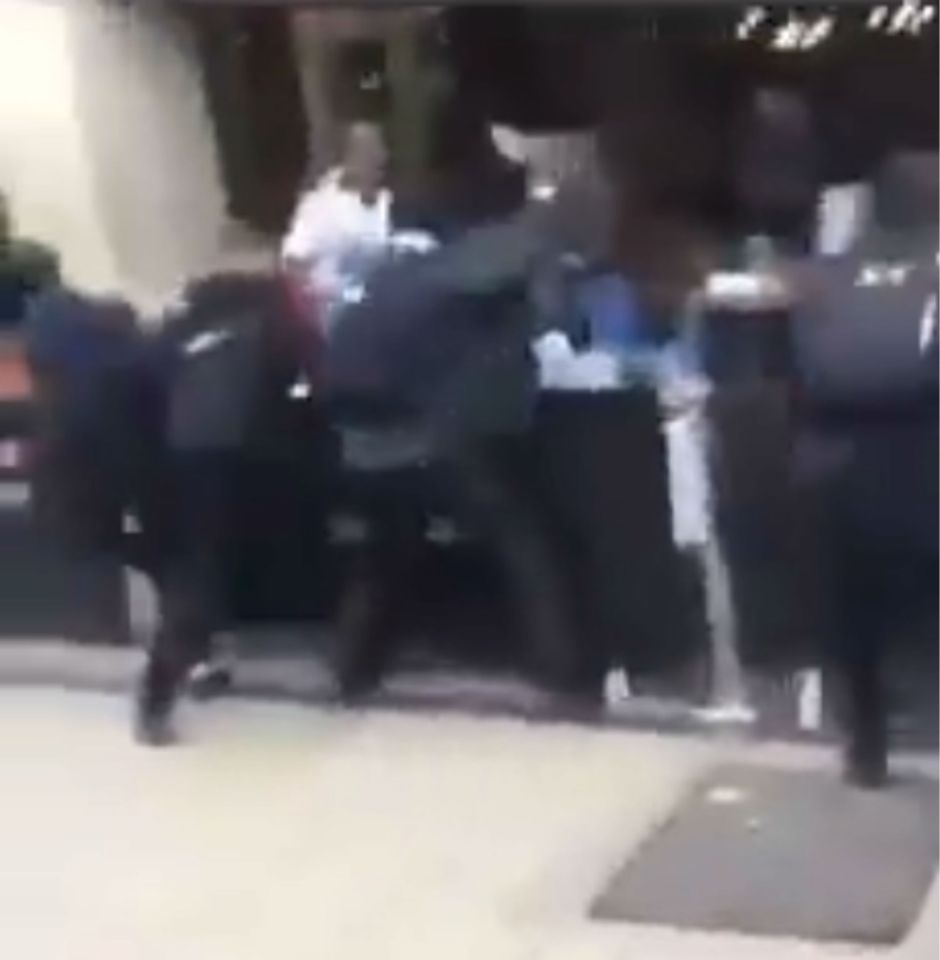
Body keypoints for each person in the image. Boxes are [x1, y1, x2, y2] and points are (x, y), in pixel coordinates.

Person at [281, 122, 392, 336]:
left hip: (379, 307)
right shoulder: (320, 207)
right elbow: (293, 265)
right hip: (338, 320)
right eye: (370, 153)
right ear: (351, 158)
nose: (380, 158)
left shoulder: (385, 202)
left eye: (380, 151)